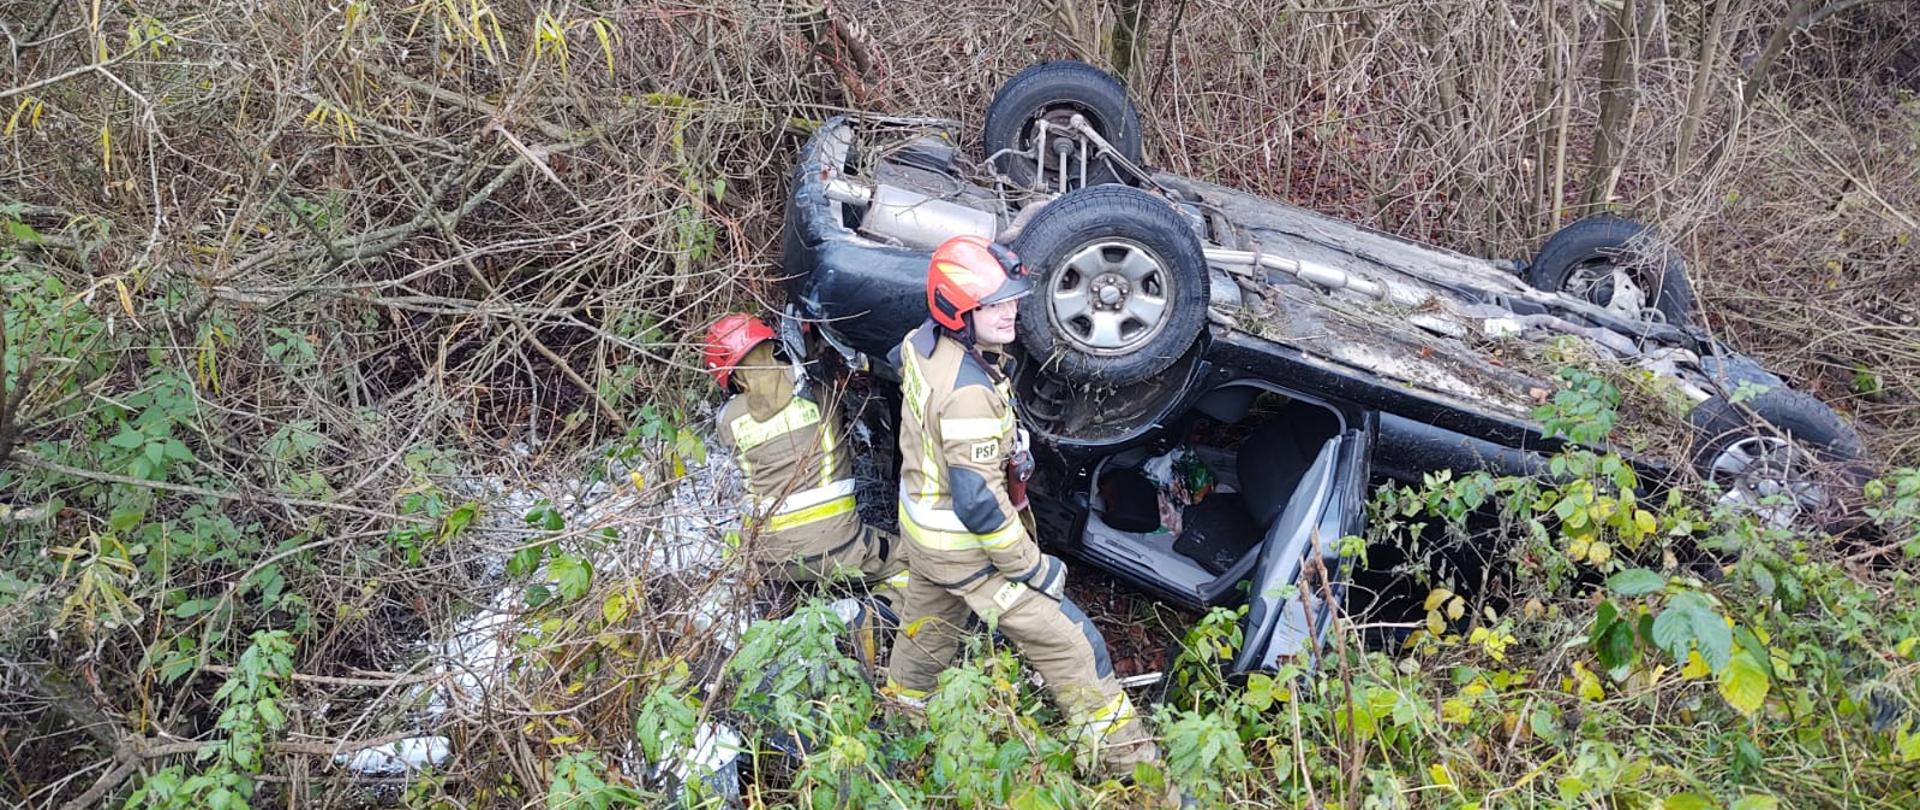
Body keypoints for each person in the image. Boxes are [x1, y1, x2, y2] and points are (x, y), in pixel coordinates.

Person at [882, 235, 1161, 778]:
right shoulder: (969, 395)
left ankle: (898, 734)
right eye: (994, 304)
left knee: (926, 639)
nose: (1012, 311)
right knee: (1074, 647)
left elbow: (905, 378)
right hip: (969, 551)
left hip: (925, 538)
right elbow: (978, 505)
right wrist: (1033, 568)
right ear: (957, 309)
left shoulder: (920, 344)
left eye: (1011, 298)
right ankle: (1136, 777)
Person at [703, 313, 910, 661]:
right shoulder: (818, 393)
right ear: (772, 346)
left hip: (771, 559)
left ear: (728, 376)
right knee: (914, 566)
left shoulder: (727, 422)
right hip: (839, 546)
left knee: (807, 573)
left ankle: (794, 628)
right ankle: (868, 618)